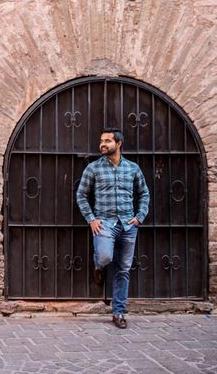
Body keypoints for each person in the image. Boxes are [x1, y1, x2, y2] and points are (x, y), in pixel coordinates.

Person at [76, 127, 150, 329]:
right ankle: (98, 267)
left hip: (128, 225)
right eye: (101, 140)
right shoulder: (93, 168)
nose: (103, 144)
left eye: (107, 141)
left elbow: (144, 193)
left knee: (123, 270)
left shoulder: (133, 168)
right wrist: (91, 218)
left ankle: (118, 313)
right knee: (105, 257)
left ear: (118, 144)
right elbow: (81, 195)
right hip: (104, 224)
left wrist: (140, 217)